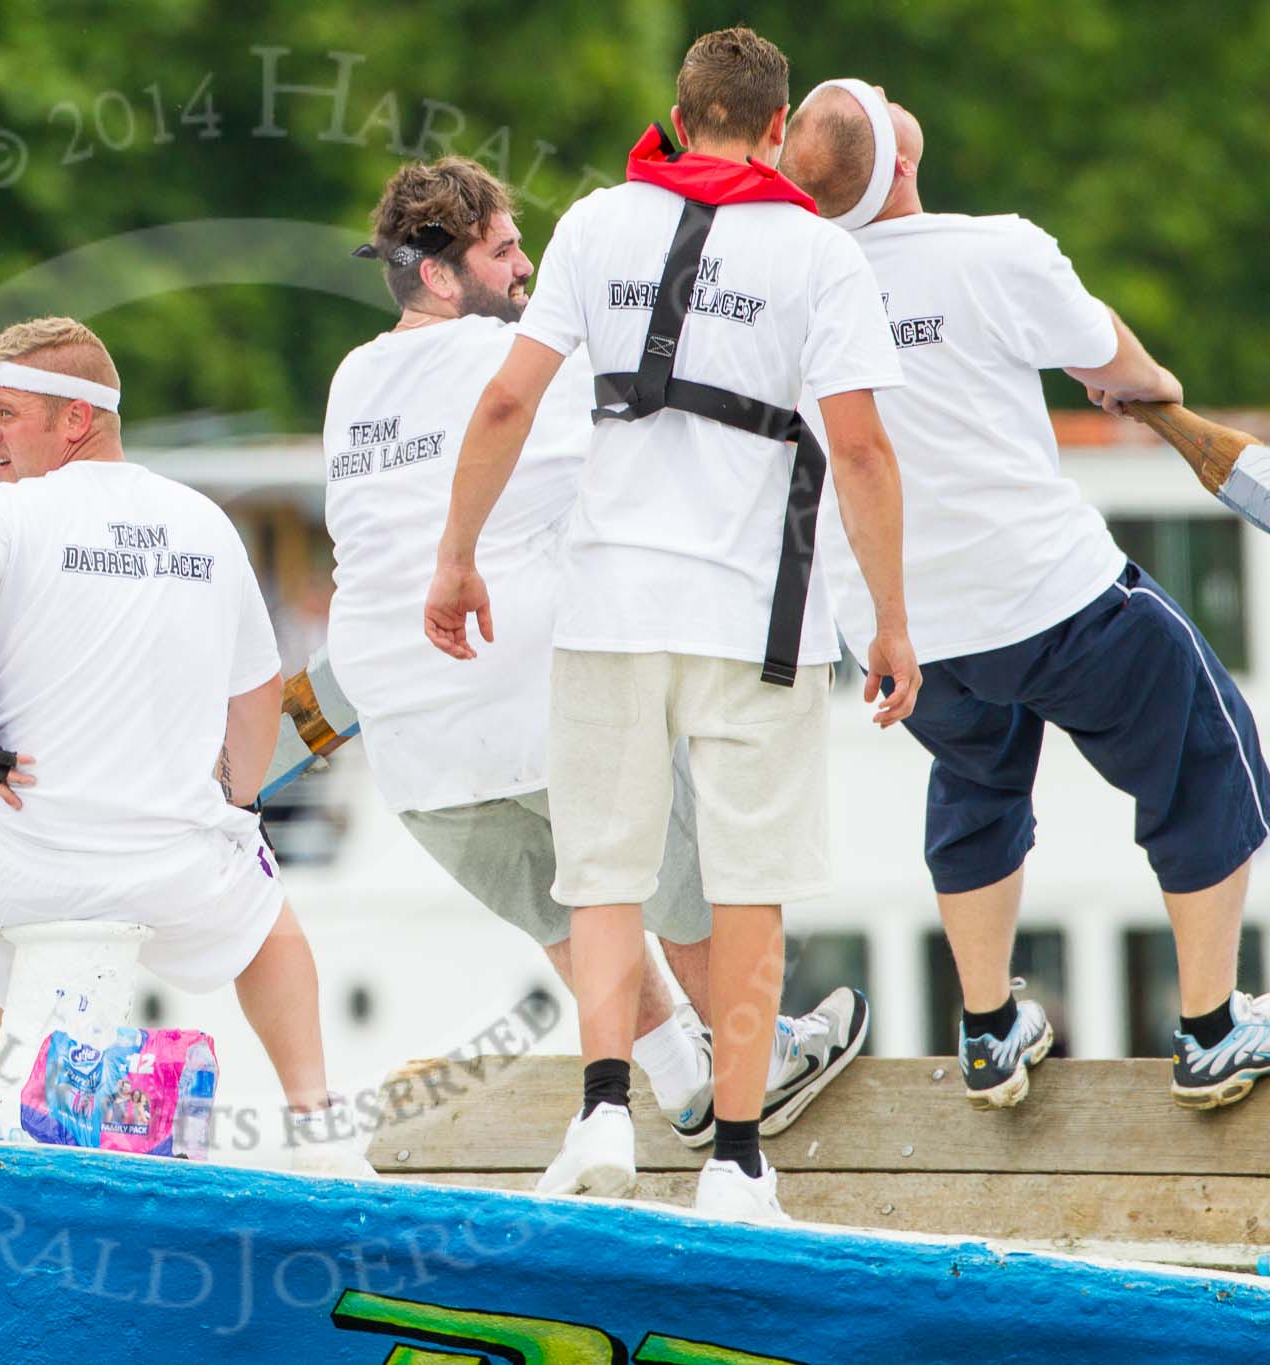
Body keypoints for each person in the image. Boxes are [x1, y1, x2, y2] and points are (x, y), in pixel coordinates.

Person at [425, 27, 919, 1223]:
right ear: (772, 127)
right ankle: (738, 1162)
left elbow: (503, 398)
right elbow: (855, 448)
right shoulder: (815, 255)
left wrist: (454, 561)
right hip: (756, 617)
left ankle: (601, 1109)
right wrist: (891, 622)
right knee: (746, 884)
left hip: (608, 601)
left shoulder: (597, 223)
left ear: (677, 109)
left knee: (602, 873)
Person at [327, 155, 870, 1183]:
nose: (526, 266)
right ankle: (770, 1056)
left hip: (411, 750)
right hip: (522, 687)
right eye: (501, 251)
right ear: (442, 277)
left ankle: (676, 1081)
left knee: (566, 910)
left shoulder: (353, 378)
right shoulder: (518, 360)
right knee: (687, 891)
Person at [782, 80, 1270, 1111]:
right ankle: (1210, 1029)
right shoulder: (992, 248)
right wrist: (1138, 383)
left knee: (976, 787)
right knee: (1207, 756)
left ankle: (988, 1033)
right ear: (899, 157)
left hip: (895, 628)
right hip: (1043, 595)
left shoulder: (789, 286)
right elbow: (1125, 370)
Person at [0, 316, 368, 1175]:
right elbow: (257, 693)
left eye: (4, 413)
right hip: (172, 868)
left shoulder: (6, 515)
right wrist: (238, 808)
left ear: (76, 420)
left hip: (21, 866)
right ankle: (318, 1123)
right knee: (270, 923)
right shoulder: (202, 522)